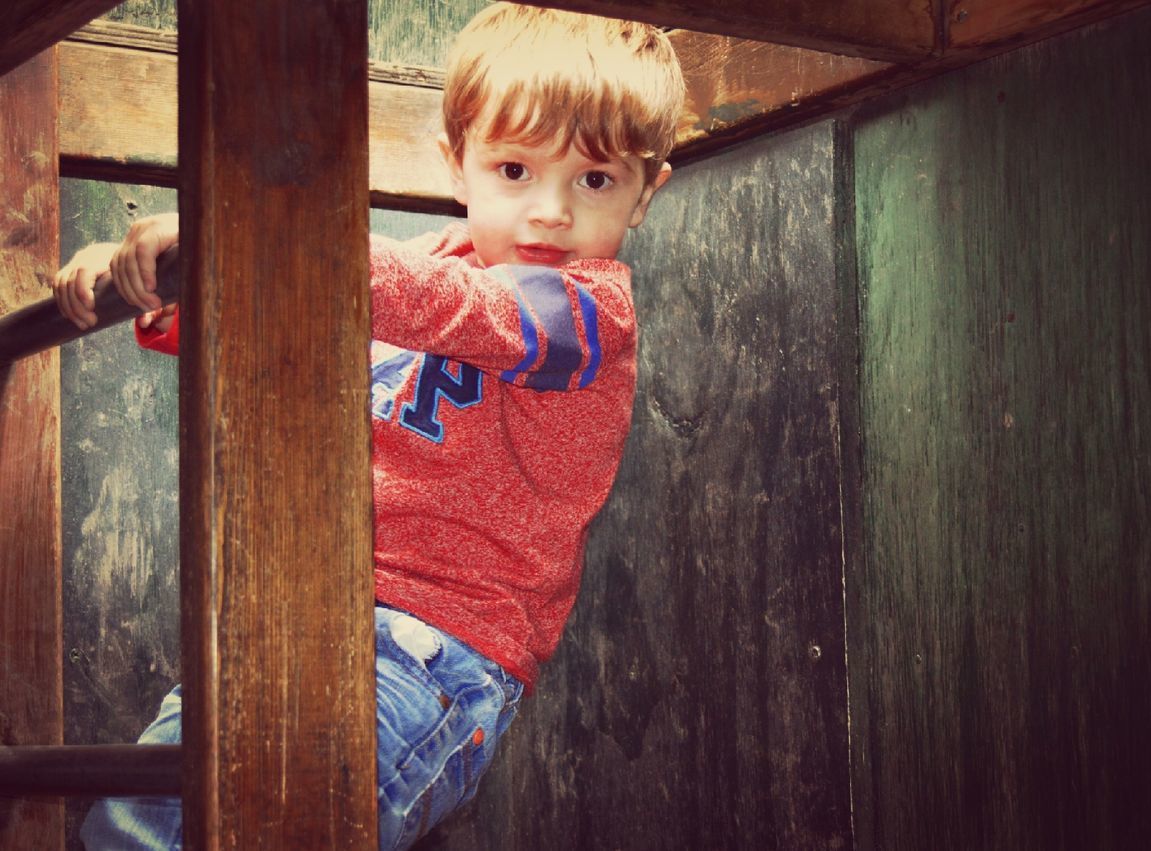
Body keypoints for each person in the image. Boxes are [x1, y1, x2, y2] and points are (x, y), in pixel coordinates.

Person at [53, 4, 685, 848]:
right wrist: (157, 281)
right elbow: (279, 319)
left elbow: (467, 309)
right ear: (455, 165)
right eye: (513, 169)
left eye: (596, 181)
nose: (551, 213)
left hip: (434, 656)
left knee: (277, 826)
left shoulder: (590, 311)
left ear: (647, 193)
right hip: (294, 613)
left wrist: (253, 235)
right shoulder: (419, 267)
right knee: (132, 823)